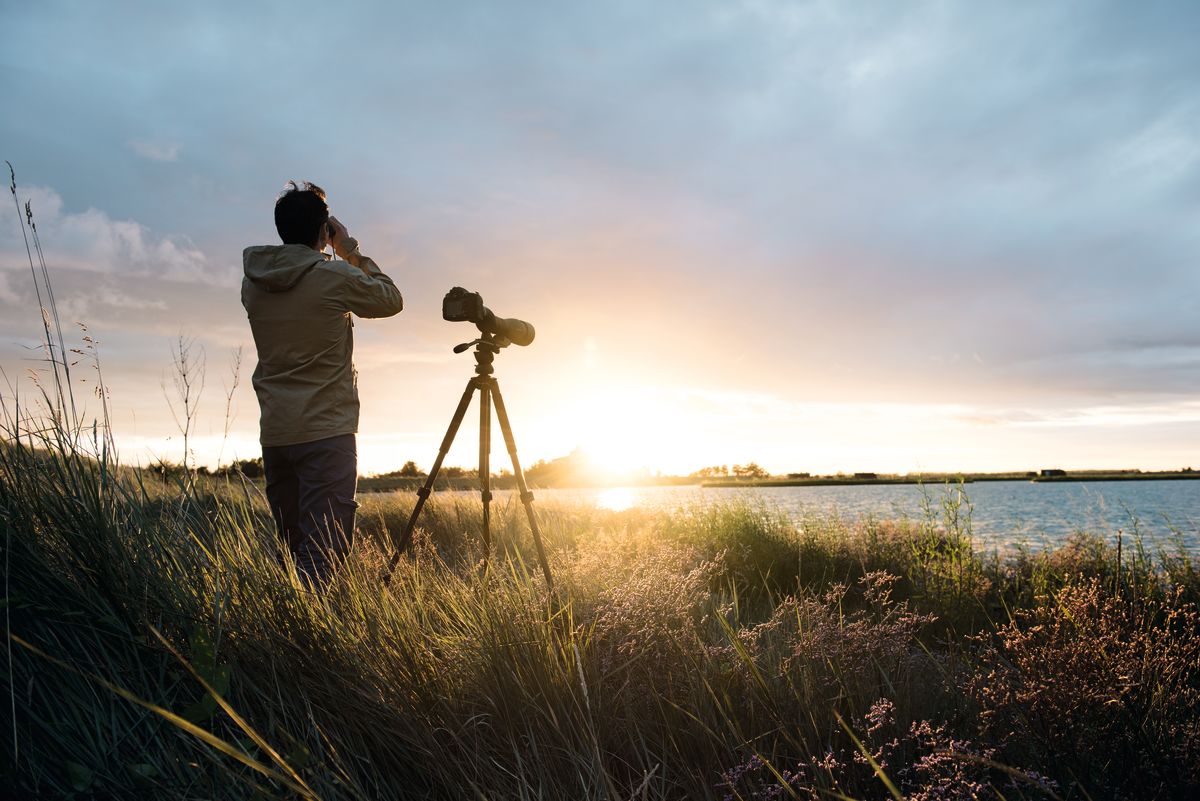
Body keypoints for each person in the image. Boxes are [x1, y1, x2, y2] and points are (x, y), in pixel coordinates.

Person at [242, 181, 403, 584]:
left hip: (277, 431)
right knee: (323, 553)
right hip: (326, 429)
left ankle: (283, 635)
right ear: (322, 232)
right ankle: (313, 643)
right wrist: (348, 249)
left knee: (291, 547)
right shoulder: (332, 276)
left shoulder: (255, 282)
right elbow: (390, 299)